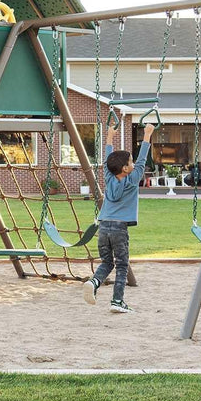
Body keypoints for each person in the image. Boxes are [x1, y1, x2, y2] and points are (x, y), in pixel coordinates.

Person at [81, 121, 154, 314]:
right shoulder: (132, 179)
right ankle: (117, 301)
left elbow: (108, 160)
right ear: (125, 169)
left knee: (107, 262)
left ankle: (94, 282)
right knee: (122, 265)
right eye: (130, 162)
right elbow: (142, 159)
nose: (134, 164)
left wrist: (110, 136)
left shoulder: (108, 176)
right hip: (119, 229)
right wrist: (147, 134)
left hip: (103, 227)